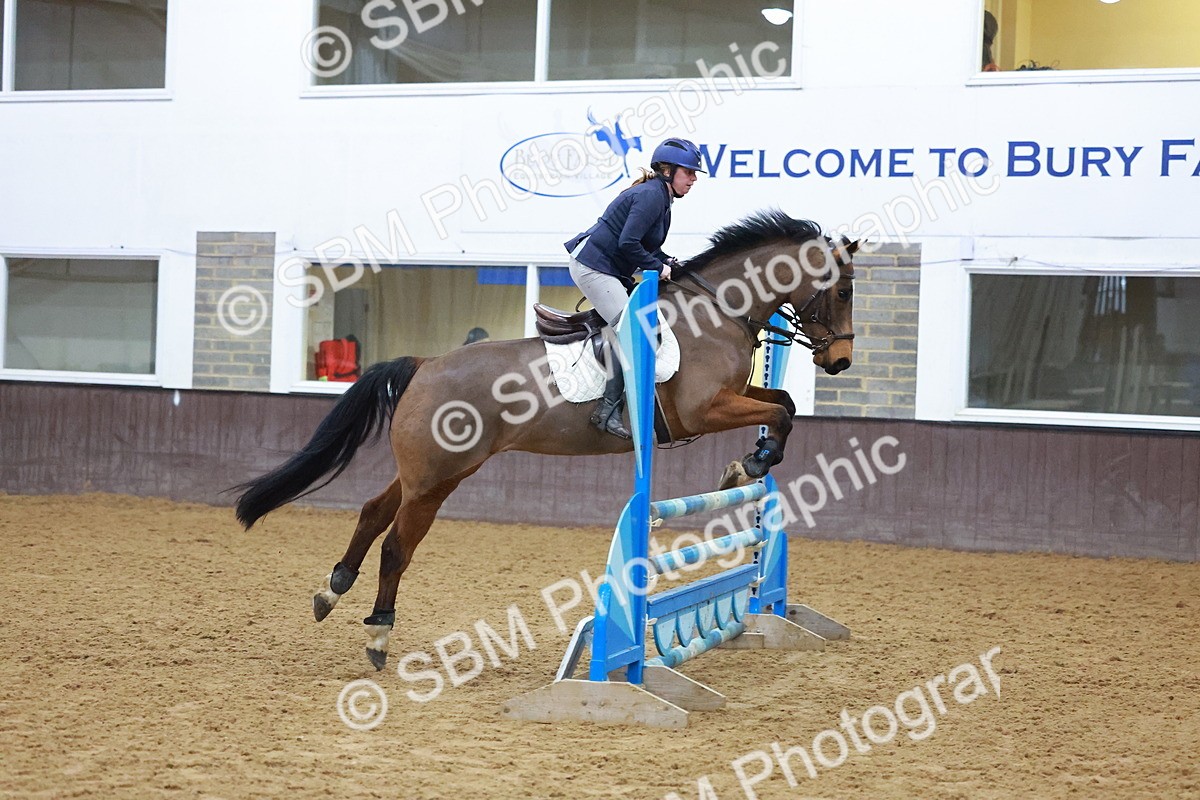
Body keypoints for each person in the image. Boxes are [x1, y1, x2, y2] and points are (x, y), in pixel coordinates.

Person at [563, 137, 703, 439]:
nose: (693, 180)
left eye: (694, 174)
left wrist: (668, 262)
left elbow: (645, 246)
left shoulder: (662, 197)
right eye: (689, 173)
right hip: (593, 266)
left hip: (608, 267)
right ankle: (607, 410)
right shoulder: (653, 196)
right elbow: (628, 243)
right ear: (667, 170)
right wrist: (658, 267)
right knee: (632, 331)